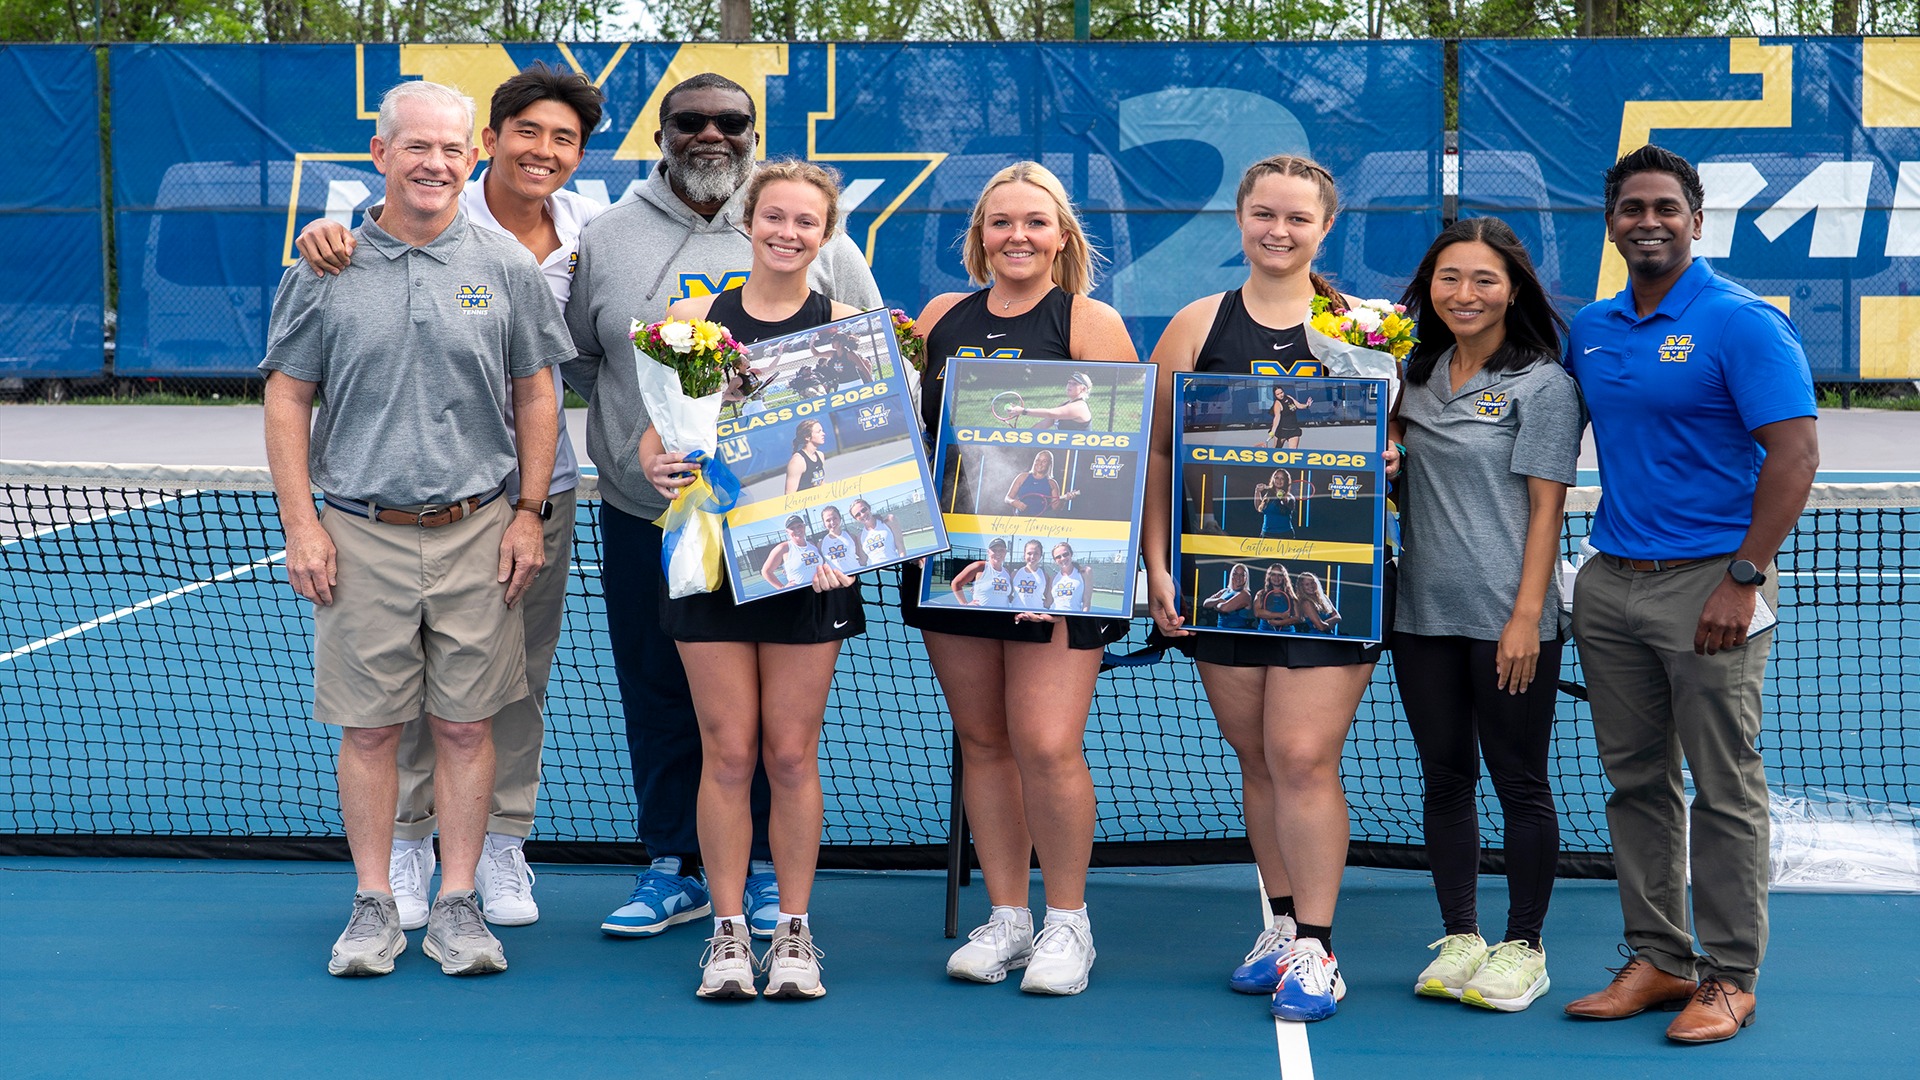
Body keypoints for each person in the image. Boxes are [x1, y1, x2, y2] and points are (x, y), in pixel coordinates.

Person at [261, 80, 572, 977]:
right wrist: (304, 524)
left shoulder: (506, 264)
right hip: (359, 532)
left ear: (470, 157)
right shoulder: (324, 266)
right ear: (381, 154)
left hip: (481, 529)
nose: (434, 164)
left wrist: (526, 512)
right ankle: (370, 905)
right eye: (416, 148)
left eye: (450, 150)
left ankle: (459, 902)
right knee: (368, 730)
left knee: (470, 725)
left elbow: (537, 392)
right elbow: (287, 396)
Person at [561, 73, 881, 943]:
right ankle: (675, 867)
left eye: (731, 122)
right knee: (666, 699)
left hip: (797, 538)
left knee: (778, 733)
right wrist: (654, 455)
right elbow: (591, 364)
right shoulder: (608, 236)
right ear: (661, 132)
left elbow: (871, 392)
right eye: (691, 121)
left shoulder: (837, 263)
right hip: (658, 524)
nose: (712, 134)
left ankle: (775, 881)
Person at [1561, 146, 1818, 1043]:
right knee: (1635, 783)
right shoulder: (1589, 327)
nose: (1648, 222)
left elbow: (1795, 456)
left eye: (1665, 208)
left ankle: (1730, 977)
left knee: (1723, 787)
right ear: (1612, 223)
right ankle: (1660, 959)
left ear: (1697, 221)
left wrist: (1741, 579)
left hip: (1713, 585)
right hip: (1608, 588)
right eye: (1631, 208)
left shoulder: (1742, 323)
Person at [1142, 154, 1403, 1022]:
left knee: (1300, 756)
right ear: (1241, 220)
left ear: (1325, 227)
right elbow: (1158, 454)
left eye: (1297, 218)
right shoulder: (1197, 324)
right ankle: (1283, 924)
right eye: (1263, 214)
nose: (1278, 231)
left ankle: (1319, 950)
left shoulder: (1367, 329)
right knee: (1257, 758)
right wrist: (1155, 563)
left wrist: (1391, 454)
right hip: (1222, 572)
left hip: (1338, 576)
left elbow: (1399, 440)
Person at [907, 161, 1138, 996]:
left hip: (1055, 577)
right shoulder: (937, 317)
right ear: (979, 237)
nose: (1017, 236)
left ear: (1062, 237)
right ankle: (1007, 917)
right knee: (984, 744)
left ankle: (1067, 924)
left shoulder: (1089, 321)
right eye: (1001, 222)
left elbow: (1116, 462)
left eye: (1035, 223)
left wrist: (1052, 578)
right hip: (957, 565)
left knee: (1046, 743)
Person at [642, 158, 867, 1000]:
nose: (787, 232)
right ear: (748, 222)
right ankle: (729, 933)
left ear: (826, 233)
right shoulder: (696, 322)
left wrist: (847, 533)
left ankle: (797, 934)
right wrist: (663, 468)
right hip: (711, 564)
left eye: (805, 221)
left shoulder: (847, 326)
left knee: (790, 752)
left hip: (815, 568)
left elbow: (867, 454)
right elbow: (658, 438)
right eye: (773, 216)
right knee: (729, 754)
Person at [1387, 216, 1583, 1013]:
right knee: (1444, 780)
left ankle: (1524, 947)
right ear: (1428, 288)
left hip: (1510, 620)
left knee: (1520, 784)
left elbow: (1547, 512)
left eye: (1484, 280)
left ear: (1513, 290)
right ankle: (1462, 935)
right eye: (1449, 278)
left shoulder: (1544, 385)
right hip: (1419, 616)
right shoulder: (1408, 374)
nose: (1464, 293)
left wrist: (1526, 617)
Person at [1005, 371, 1095, 429]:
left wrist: (1023, 411)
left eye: (1074, 384)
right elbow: (1043, 425)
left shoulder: (1080, 407)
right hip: (1063, 451)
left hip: (1078, 454)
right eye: (1069, 382)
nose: (1069, 385)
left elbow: (1050, 413)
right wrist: (1024, 437)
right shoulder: (1064, 404)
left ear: (1083, 389)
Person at [761, 514, 828, 590]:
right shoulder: (783, 548)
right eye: (792, 528)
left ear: (804, 527)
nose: (797, 530)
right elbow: (766, 571)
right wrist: (782, 588)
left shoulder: (812, 545)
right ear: (787, 532)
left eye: (799, 526)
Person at [1003, 449, 1079, 516]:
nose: (1040, 463)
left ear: (1049, 464)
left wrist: (1064, 499)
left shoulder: (1052, 483)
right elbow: (1007, 498)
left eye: (1044, 461)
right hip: (1022, 519)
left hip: (1043, 522)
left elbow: (1055, 508)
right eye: (1038, 460)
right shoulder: (1022, 477)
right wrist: (1014, 502)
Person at [950, 536, 1016, 607]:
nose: (998, 553)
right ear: (988, 552)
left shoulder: (1006, 572)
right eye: (994, 550)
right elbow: (956, 583)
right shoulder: (980, 566)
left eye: (1001, 550)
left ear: (1005, 552)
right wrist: (965, 604)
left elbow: (1006, 596)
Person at [1200, 563, 1257, 630]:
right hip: (1220, 631)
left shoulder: (1245, 595)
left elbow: (1224, 608)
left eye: (1242, 575)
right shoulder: (1224, 591)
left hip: (1236, 634)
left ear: (1246, 578)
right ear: (1231, 575)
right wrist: (1219, 600)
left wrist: (1215, 605)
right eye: (1235, 574)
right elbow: (1205, 603)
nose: (1238, 577)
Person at [1046, 542, 1094, 613]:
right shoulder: (1053, 578)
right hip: (1054, 618)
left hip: (1073, 619)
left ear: (1071, 554)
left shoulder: (1085, 572)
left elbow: (1086, 602)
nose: (1062, 558)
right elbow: (1048, 602)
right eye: (1058, 557)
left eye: (1065, 554)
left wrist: (1083, 620)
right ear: (1055, 560)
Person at [850, 498, 902, 563]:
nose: (862, 514)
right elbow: (863, 561)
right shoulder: (860, 537)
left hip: (895, 568)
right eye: (858, 515)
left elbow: (901, 547)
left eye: (863, 510)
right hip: (876, 572)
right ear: (855, 519)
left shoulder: (889, 521)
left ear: (869, 508)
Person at [1252, 563, 1299, 633]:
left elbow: (1297, 618)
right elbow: (1257, 613)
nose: (1276, 578)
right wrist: (1281, 615)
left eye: (1280, 575)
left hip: (1288, 634)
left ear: (1284, 577)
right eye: (1273, 574)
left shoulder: (1291, 596)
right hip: (1264, 633)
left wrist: (1279, 623)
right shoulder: (1261, 594)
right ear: (1269, 576)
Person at [785, 419, 828, 494]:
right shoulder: (797, 462)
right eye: (819, 432)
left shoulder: (820, 455)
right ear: (807, 437)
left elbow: (821, 484)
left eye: (822, 431)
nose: (823, 434)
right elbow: (789, 495)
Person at [817, 505, 864, 572]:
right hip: (839, 581)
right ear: (824, 524)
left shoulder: (851, 537)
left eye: (835, 518)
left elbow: (863, 560)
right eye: (828, 520)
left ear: (840, 518)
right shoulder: (821, 544)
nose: (832, 522)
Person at [1254, 469, 1296, 538]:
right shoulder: (1268, 495)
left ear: (1286, 481)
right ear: (1273, 479)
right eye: (1277, 478)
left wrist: (1282, 498)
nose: (1279, 481)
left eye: (1282, 479)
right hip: (1266, 534)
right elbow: (1258, 508)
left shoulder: (1289, 497)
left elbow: (1287, 504)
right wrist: (1257, 491)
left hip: (1284, 535)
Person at [1009, 538, 1049, 610]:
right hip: (1017, 615)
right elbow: (1007, 595)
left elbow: (1048, 601)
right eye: (1029, 553)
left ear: (1040, 555)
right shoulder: (1014, 574)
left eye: (1036, 553)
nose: (1032, 557)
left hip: (1036, 617)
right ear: (1024, 554)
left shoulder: (1044, 576)